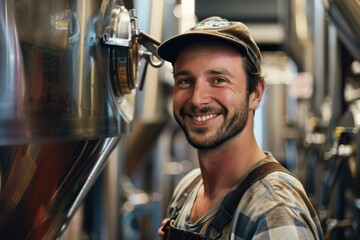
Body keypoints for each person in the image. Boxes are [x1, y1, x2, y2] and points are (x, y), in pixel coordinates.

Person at [156, 16, 324, 240]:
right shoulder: (188, 188)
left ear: (255, 93)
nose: (197, 99)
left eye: (218, 80)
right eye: (185, 81)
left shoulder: (273, 210)